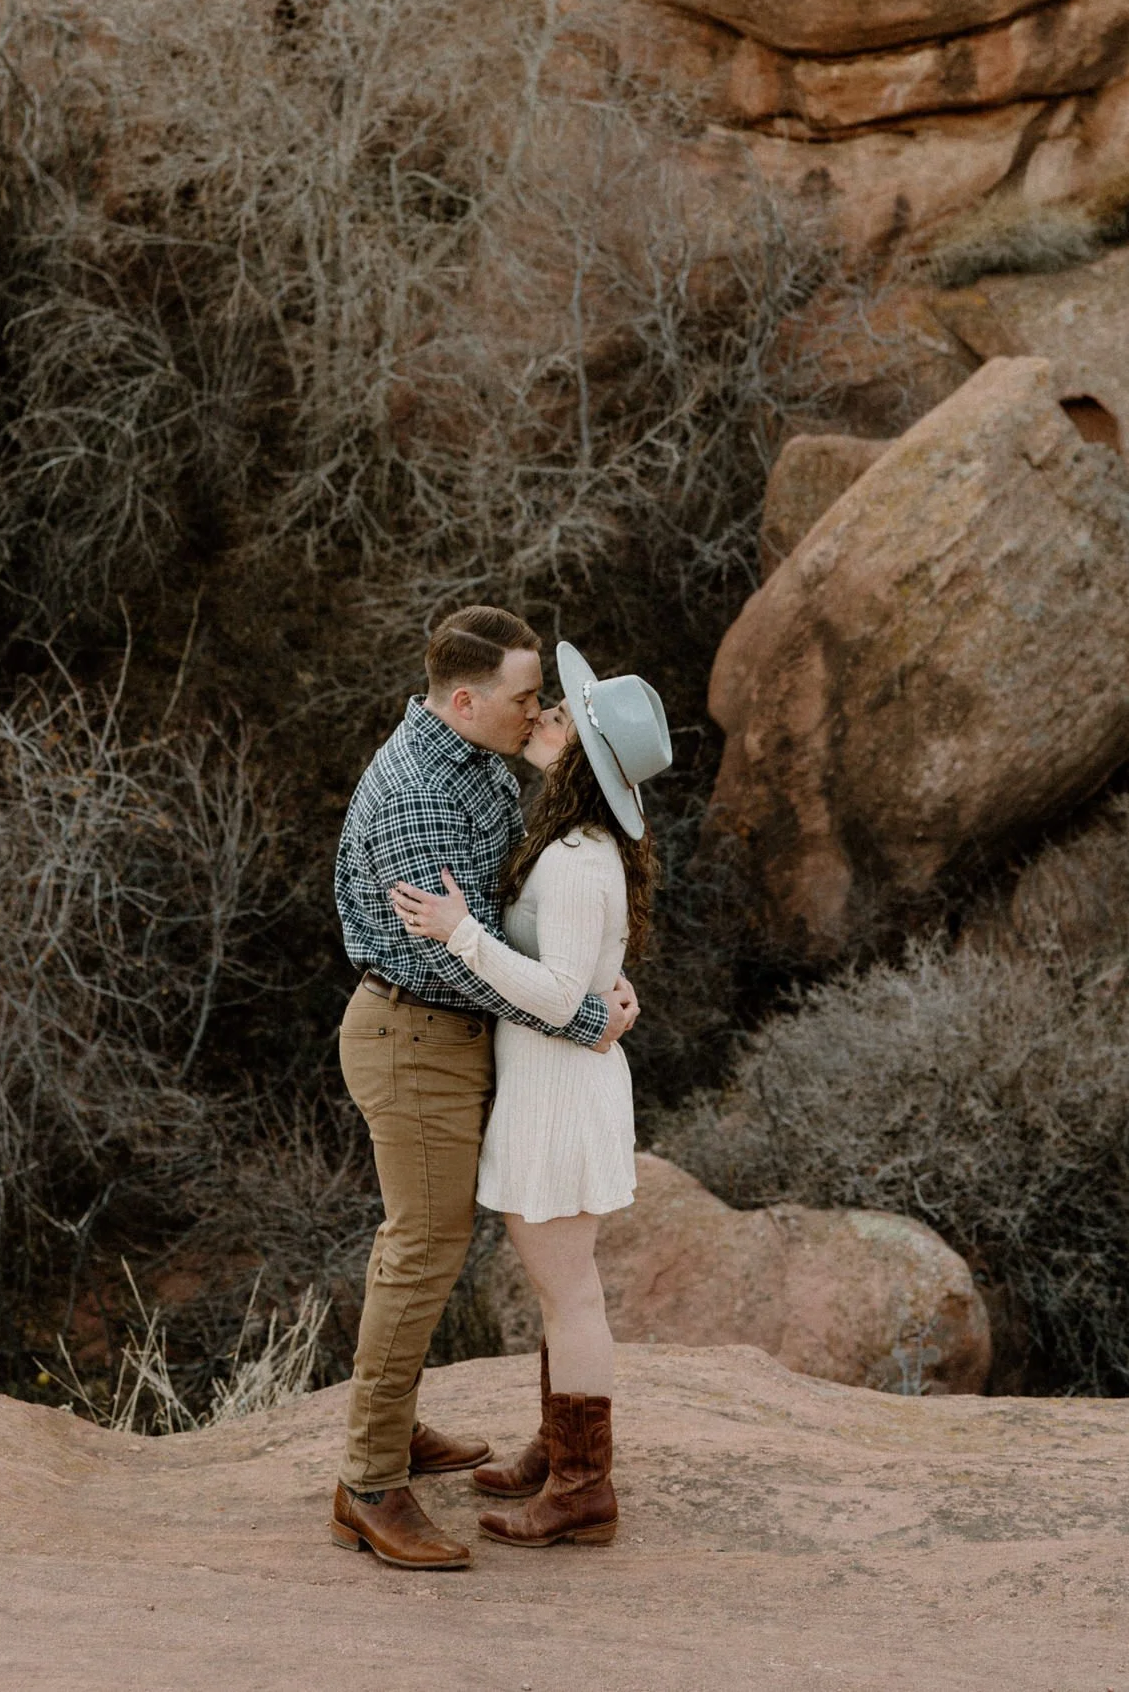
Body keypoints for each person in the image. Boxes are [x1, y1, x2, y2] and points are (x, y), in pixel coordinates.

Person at [329, 607, 641, 1573]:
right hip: (418, 1031)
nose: (536, 709)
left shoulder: (474, 759)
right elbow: (461, 959)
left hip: (462, 1034)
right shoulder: (424, 790)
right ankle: (371, 1482)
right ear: (464, 701)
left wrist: (596, 979)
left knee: (437, 1244)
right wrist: (590, 1017)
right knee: (422, 1248)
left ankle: (398, 1426)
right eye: (522, 698)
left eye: (545, 700)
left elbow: (528, 922)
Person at [390, 639, 671, 1551]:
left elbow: (557, 995)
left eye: (560, 716)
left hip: (560, 1094)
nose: (542, 714)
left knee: (570, 1295)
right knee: (564, 1291)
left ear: (582, 754)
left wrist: (462, 933)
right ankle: (561, 1455)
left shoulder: (580, 859)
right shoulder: (567, 843)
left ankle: (583, 1487)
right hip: (550, 1086)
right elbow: (585, 983)